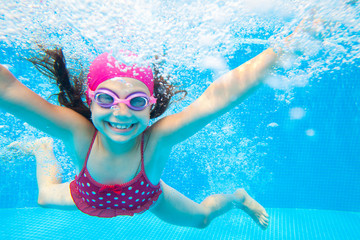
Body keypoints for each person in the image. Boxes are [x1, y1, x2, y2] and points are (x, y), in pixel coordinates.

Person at [0, 45, 278, 230]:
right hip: (85, 197)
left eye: (136, 101)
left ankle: (237, 198)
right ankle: (41, 148)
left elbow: (217, 99)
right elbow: (9, 91)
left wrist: (286, 49)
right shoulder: (78, 132)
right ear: (91, 100)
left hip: (148, 198)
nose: (121, 113)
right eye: (107, 99)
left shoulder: (157, 140)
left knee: (202, 220)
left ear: (150, 105)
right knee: (43, 196)